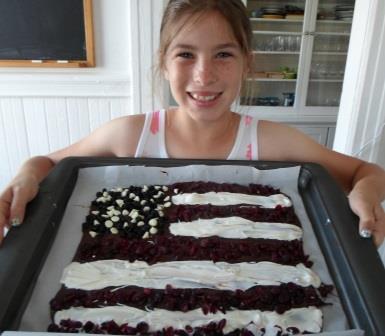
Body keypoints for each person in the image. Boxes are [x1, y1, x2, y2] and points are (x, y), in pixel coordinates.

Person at [0, 0, 384, 246]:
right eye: (186, 54)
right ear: (164, 63)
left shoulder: (269, 140)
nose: (204, 75)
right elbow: (47, 164)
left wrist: (364, 195)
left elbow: (368, 172)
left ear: (247, 63)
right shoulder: (130, 135)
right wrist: (24, 177)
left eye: (223, 54)